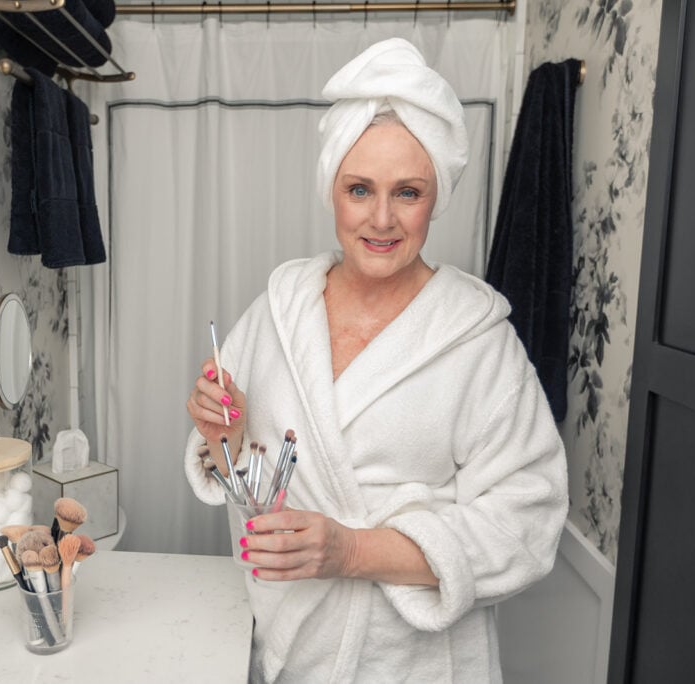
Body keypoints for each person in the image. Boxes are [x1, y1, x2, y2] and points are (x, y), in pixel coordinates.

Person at [184, 37, 568, 683]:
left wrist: (354, 550)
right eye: (359, 189)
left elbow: (524, 525)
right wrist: (219, 436)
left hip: (415, 659)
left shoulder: (477, 339)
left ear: (434, 198)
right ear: (330, 191)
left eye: (408, 192)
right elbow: (247, 484)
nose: (381, 219)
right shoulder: (278, 311)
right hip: (292, 639)